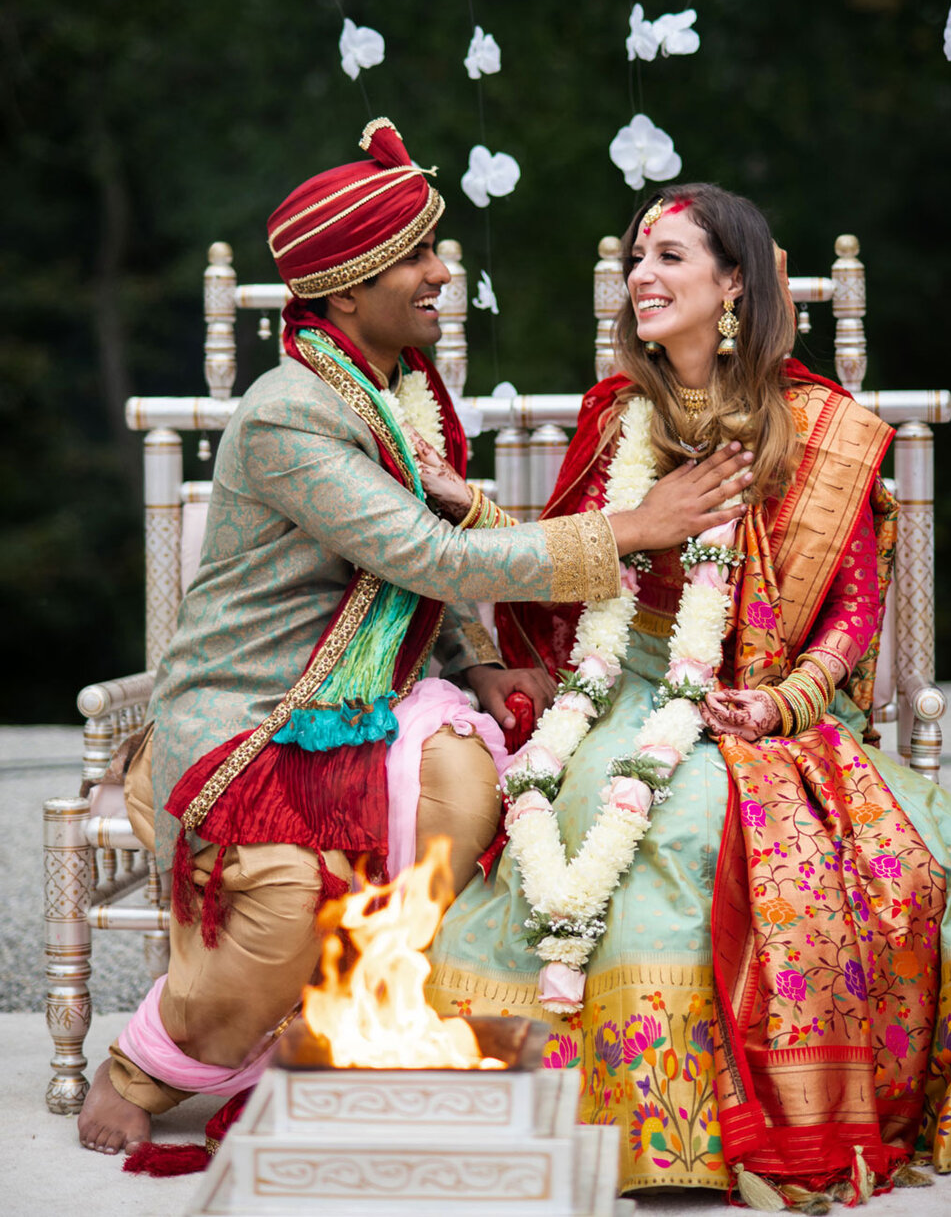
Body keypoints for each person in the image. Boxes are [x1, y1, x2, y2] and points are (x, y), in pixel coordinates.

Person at [77, 125, 756, 1159]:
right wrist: (631, 528)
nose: (443, 274)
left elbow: (407, 585)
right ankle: (143, 1064)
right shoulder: (291, 414)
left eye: (436, 251)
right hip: (249, 721)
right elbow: (418, 553)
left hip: (356, 706)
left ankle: (345, 1021)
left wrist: (469, 661)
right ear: (346, 293)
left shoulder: (397, 395)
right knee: (286, 904)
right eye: (416, 259)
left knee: (464, 789)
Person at [427, 184, 951, 1204]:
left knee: (717, 827)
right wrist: (461, 502)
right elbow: (563, 562)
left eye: (671, 257)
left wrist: (779, 705)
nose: (643, 274)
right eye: (638, 257)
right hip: (626, 686)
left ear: (736, 285)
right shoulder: (616, 419)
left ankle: (704, 1128)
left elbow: (854, 613)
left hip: (772, 702)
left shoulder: (823, 427)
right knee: (606, 815)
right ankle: (595, 1119)